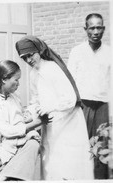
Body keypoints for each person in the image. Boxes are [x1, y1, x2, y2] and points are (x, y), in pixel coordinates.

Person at [16, 35, 94, 180]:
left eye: (30, 55)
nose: (28, 60)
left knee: (68, 162)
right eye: (24, 58)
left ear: (38, 50)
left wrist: (50, 107)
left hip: (69, 122)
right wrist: (30, 112)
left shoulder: (52, 68)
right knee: (51, 162)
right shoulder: (33, 74)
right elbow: (35, 99)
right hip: (51, 124)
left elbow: (70, 98)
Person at [0, 60, 43, 181]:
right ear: (4, 79)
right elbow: (7, 132)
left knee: (34, 143)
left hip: (19, 142)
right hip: (1, 146)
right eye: (16, 80)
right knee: (32, 146)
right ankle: (1, 169)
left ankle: (3, 176)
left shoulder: (15, 97)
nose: (18, 84)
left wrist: (29, 117)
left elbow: (20, 119)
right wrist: (35, 123)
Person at [67, 13, 111, 179]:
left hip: (104, 105)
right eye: (91, 27)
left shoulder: (109, 52)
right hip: (83, 104)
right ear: (85, 29)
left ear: (104, 29)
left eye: (99, 27)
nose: (95, 31)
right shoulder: (77, 51)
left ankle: (100, 178)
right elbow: (70, 80)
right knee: (81, 143)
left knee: (102, 144)